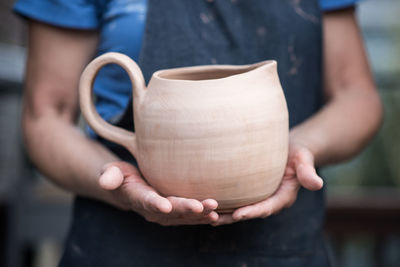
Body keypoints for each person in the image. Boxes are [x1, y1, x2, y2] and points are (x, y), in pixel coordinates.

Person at [15, 0, 382, 266]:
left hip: (281, 247)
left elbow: (358, 96)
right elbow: (46, 116)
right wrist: (120, 186)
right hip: (121, 244)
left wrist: (298, 147)